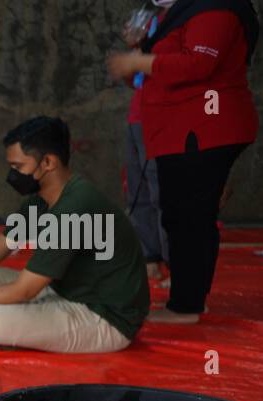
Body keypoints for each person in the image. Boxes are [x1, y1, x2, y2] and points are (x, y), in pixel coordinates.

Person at [0, 117, 150, 354]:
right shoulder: (43, 199)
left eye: (18, 167)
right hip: (65, 291)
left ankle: (19, 324)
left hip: (105, 318)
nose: (12, 175)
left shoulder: (73, 208)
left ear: (47, 162)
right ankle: (27, 322)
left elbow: (24, 290)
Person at [108, 0, 259, 324]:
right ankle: (186, 298)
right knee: (179, 214)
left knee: (190, 218)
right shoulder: (176, 14)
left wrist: (140, 60)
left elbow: (198, 63)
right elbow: (151, 72)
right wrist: (137, 60)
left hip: (204, 127)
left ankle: (187, 304)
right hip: (175, 129)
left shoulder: (215, 9)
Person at [122, 4, 171, 282]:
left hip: (162, 115)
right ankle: (150, 258)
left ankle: (175, 263)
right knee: (138, 191)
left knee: (163, 192)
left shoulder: (186, 18)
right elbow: (135, 78)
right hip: (138, 114)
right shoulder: (151, 19)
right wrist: (134, 50)